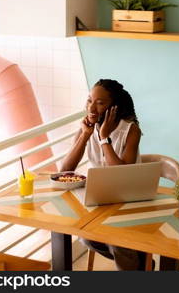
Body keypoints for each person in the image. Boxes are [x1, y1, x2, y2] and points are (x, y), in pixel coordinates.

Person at [61, 79, 147, 270]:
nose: (91, 107)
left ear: (113, 107)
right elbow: (65, 170)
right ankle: (138, 260)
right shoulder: (88, 127)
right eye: (89, 100)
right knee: (85, 236)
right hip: (102, 200)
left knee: (117, 240)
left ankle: (134, 259)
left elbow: (122, 174)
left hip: (130, 200)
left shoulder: (131, 130)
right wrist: (85, 135)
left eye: (100, 103)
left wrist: (103, 138)